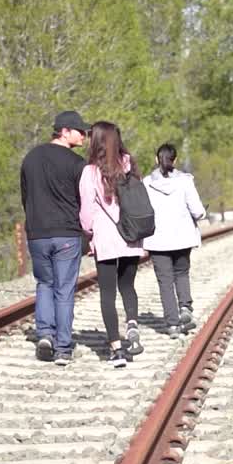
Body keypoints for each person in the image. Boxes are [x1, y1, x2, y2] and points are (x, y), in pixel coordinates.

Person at [20, 110, 90, 366]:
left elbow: (25, 197)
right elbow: (85, 202)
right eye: (80, 131)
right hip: (66, 234)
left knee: (44, 284)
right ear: (64, 131)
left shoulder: (30, 158)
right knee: (64, 290)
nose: (84, 135)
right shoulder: (77, 164)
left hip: (37, 234)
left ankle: (44, 335)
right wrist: (88, 233)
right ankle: (62, 347)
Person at [79, 121, 143, 368]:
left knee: (107, 293)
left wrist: (87, 232)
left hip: (105, 239)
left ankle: (117, 350)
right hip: (131, 234)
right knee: (127, 285)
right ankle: (133, 324)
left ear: (96, 141)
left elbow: (86, 213)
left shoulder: (90, 173)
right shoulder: (130, 164)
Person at [142, 144, 206, 337]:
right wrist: (202, 214)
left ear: (156, 159)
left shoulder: (145, 183)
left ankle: (172, 325)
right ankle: (185, 308)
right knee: (182, 274)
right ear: (175, 160)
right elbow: (197, 210)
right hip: (182, 238)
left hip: (157, 240)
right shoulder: (185, 181)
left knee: (165, 282)